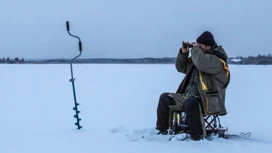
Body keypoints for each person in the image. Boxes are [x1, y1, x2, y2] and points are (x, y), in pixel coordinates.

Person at [156, 31, 230, 140]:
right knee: (165, 98)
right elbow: (181, 67)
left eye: (200, 46)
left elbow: (201, 63)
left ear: (208, 46)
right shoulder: (199, 57)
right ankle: (162, 132)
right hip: (188, 97)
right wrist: (183, 53)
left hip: (209, 101)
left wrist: (195, 49)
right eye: (197, 46)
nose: (197, 48)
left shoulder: (217, 60)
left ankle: (197, 136)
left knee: (191, 102)